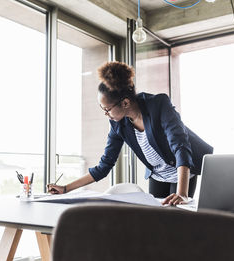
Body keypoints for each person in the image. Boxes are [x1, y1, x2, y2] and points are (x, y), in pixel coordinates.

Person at [47, 61, 213, 205]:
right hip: (158, 176)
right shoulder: (118, 125)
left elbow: (180, 146)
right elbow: (104, 166)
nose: (106, 114)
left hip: (182, 171)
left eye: (107, 109)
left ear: (125, 102)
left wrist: (182, 194)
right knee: (157, 223)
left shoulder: (158, 104)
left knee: (178, 219)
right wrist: (66, 188)